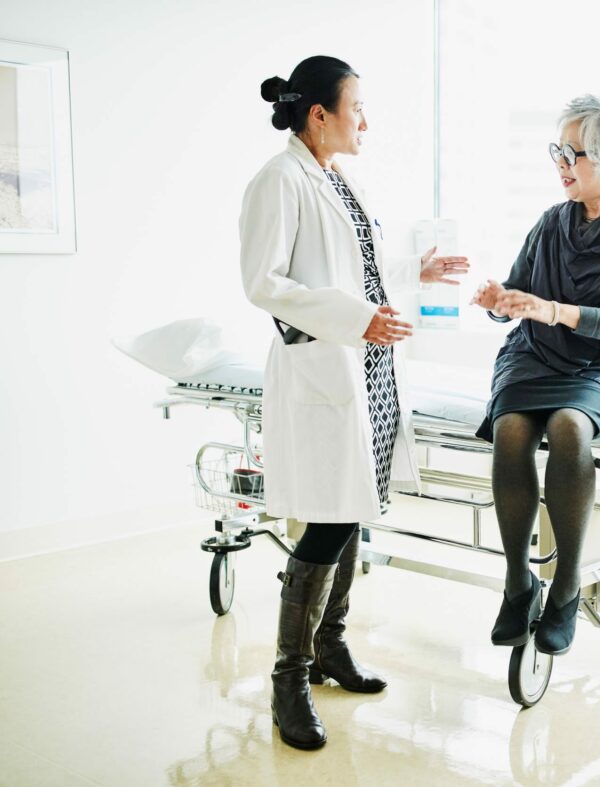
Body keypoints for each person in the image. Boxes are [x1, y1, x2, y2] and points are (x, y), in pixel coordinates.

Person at [239, 55, 468, 750]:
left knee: (355, 509)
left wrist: (411, 273)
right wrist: (354, 317)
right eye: (356, 107)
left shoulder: (337, 177)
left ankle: (331, 647)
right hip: (324, 367)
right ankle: (289, 677)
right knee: (331, 521)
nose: (365, 119)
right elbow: (265, 283)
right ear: (319, 115)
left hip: (365, 366)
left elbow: (355, 267)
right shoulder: (279, 180)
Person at [470, 95, 600, 657]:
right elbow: (517, 296)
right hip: (534, 354)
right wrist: (498, 301)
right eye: (557, 149)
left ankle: (565, 586)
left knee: (569, 428)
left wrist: (554, 309)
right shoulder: (551, 222)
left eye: (573, 152)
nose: (561, 162)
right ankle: (518, 582)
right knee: (510, 429)